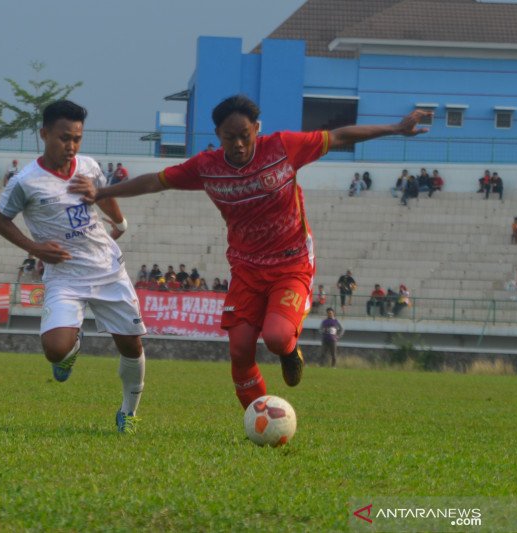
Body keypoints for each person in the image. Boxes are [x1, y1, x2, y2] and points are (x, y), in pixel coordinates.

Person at [68, 94, 429, 410]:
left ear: (257, 128)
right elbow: (154, 181)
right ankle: (259, 415)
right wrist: (101, 193)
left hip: (292, 263)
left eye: (245, 135)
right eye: (230, 137)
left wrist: (396, 128)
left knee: (274, 337)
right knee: (240, 349)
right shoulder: (206, 167)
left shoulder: (283, 147)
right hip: (246, 269)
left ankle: (289, 352)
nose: (239, 144)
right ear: (218, 137)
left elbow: (338, 136)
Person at [0, 100, 146, 434]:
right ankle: (72, 349)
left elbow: (102, 195)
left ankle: (128, 412)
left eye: (77, 138)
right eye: (64, 138)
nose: (71, 146)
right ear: (44, 134)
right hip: (64, 276)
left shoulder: (88, 166)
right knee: (55, 350)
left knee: (131, 346)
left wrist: (118, 221)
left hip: (107, 270)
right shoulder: (25, 181)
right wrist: (35, 248)